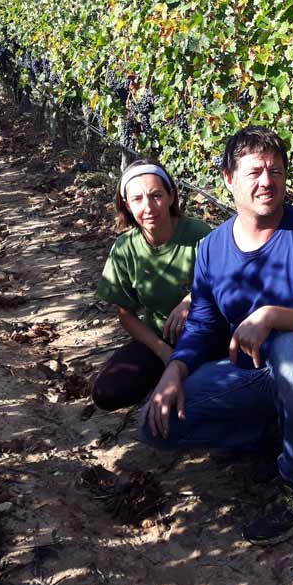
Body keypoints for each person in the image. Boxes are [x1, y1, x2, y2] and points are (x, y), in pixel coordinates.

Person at [138, 127, 293, 545]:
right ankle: (276, 431)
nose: (267, 182)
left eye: (276, 171)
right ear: (228, 178)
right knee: (155, 427)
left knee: (290, 347)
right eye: (255, 172)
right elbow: (204, 324)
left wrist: (274, 317)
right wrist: (174, 370)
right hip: (255, 374)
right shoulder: (212, 248)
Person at [91, 159, 211, 412]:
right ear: (127, 205)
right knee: (107, 392)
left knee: (203, 391)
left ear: (171, 197)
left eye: (156, 195)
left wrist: (191, 300)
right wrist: (164, 353)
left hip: (205, 333)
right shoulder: (125, 248)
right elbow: (125, 314)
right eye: (137, 199)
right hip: (160, 337)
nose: (148, 207)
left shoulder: (199, 234)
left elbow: (224, 282)